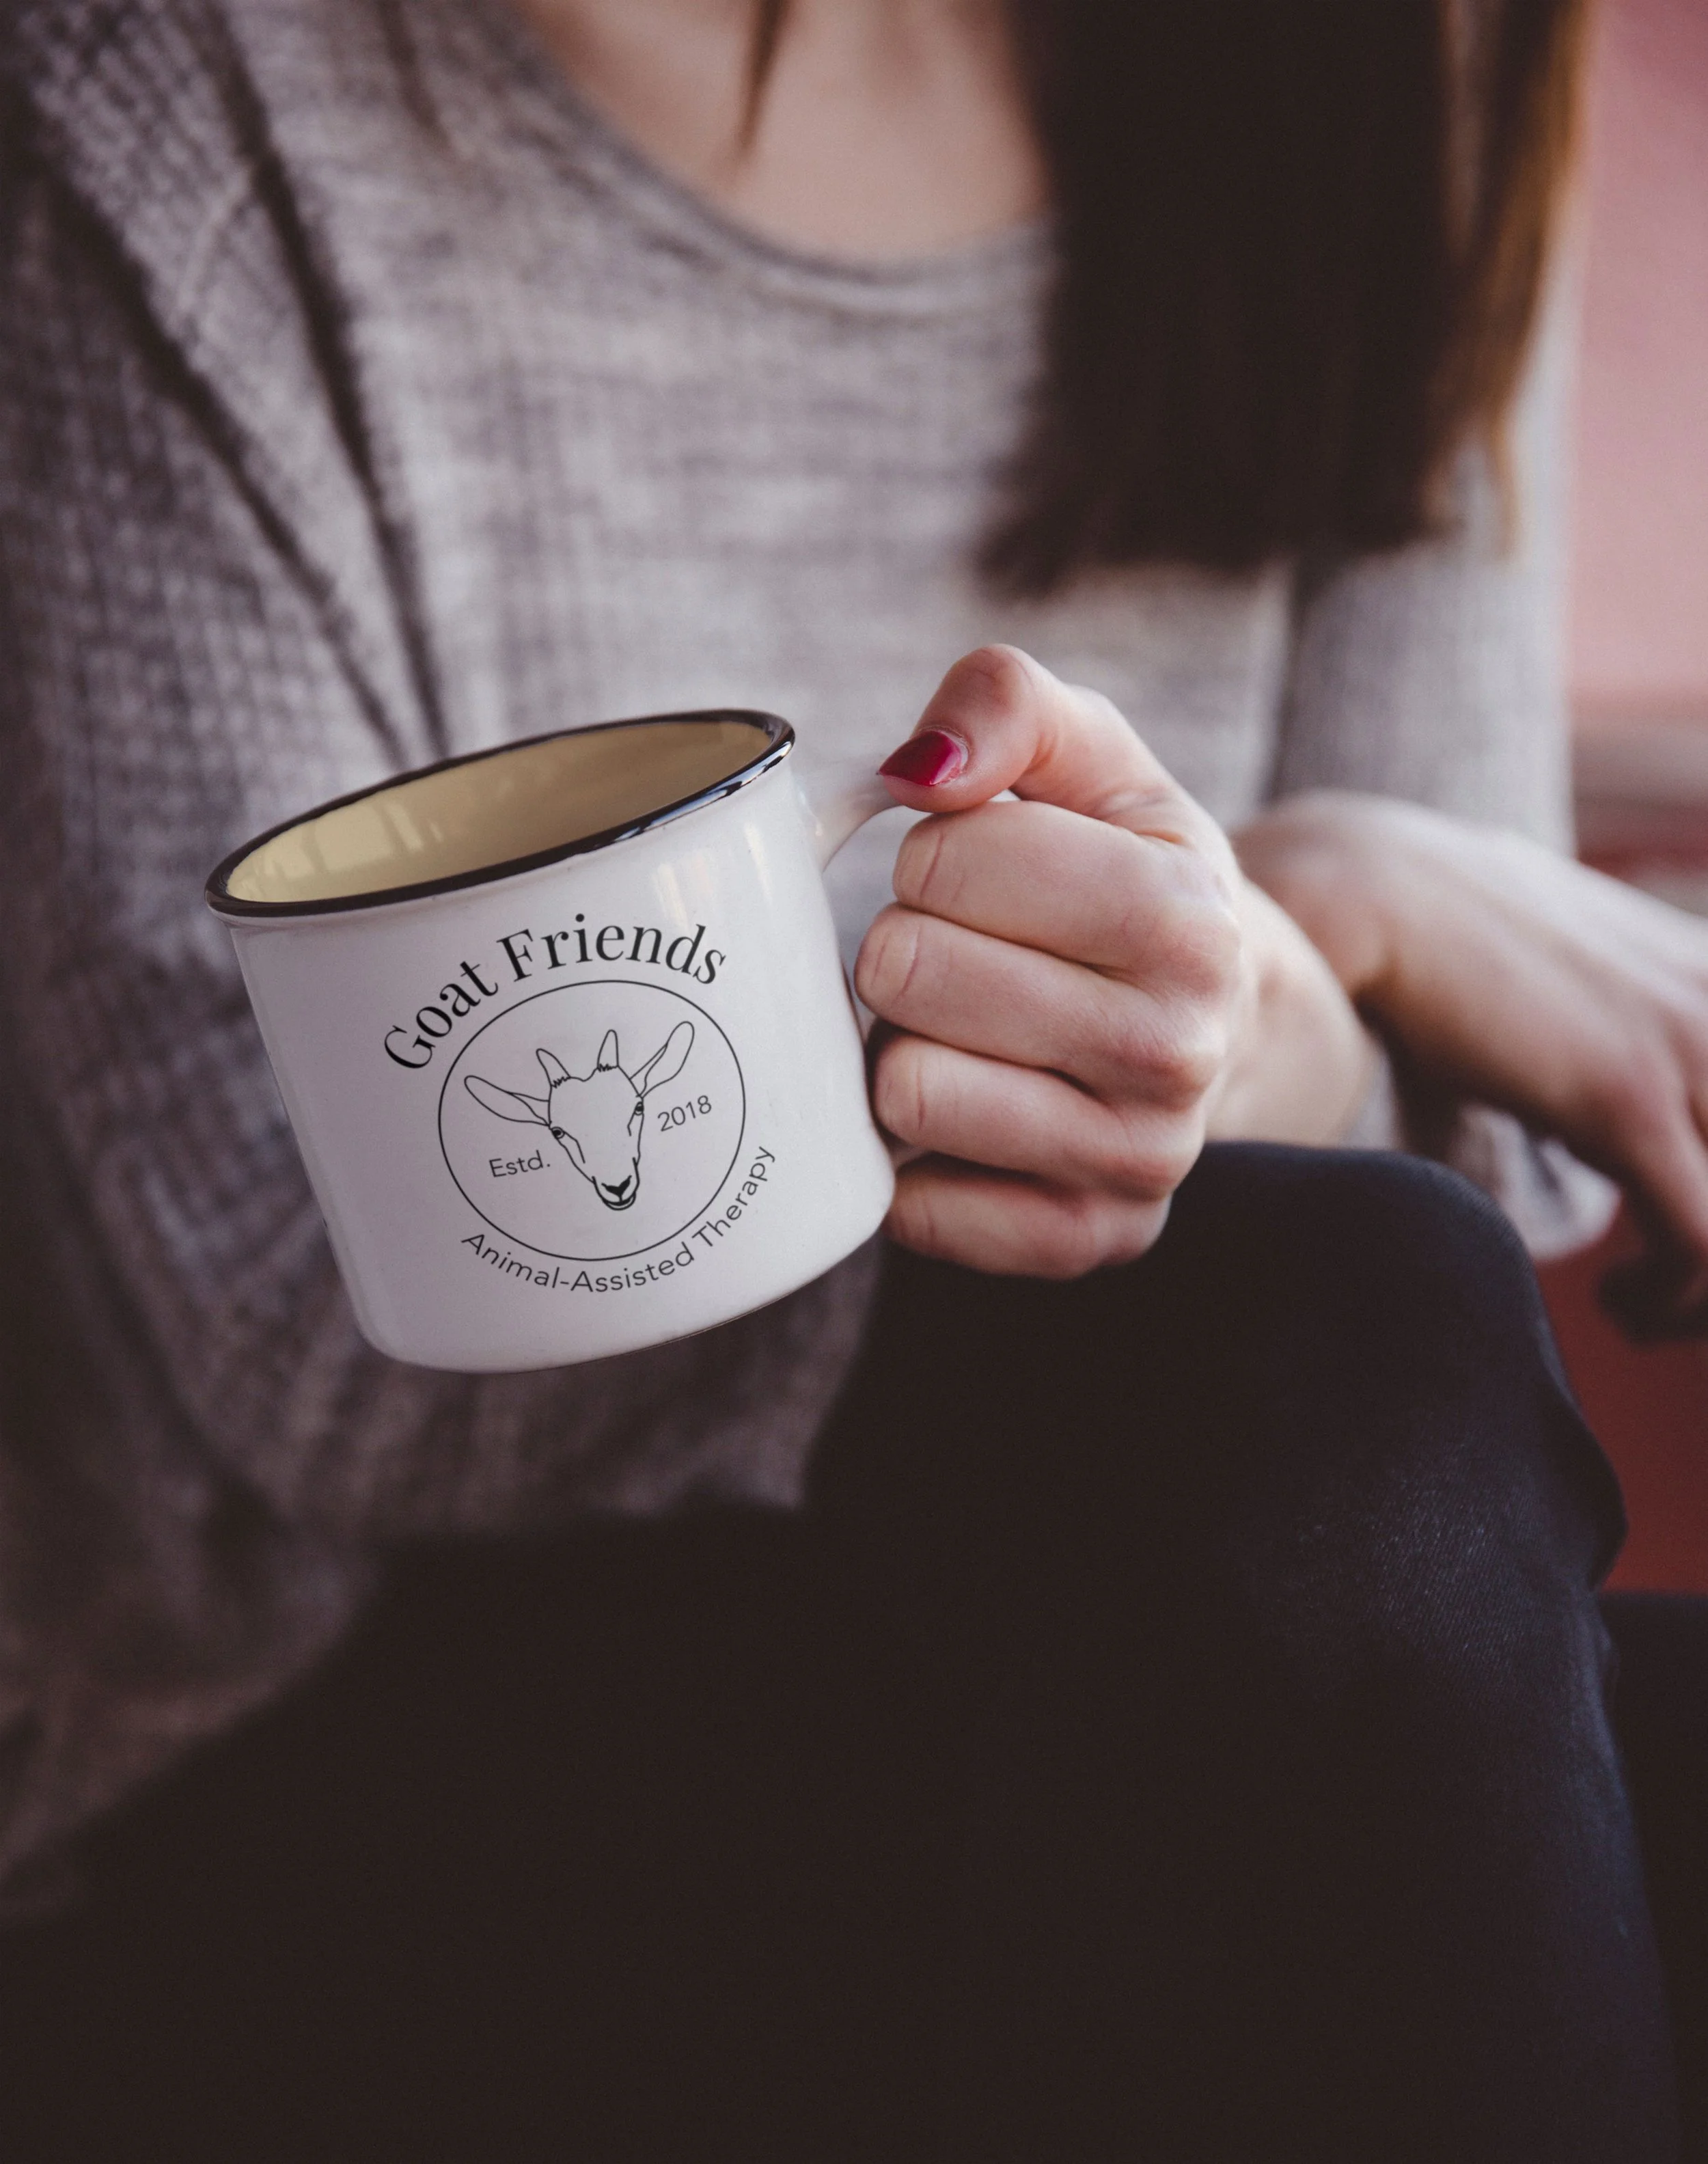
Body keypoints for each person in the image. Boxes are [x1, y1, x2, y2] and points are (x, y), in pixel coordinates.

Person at [0, 0, 1699, 2154]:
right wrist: (1320, 919)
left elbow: (1437, 1159)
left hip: (1172, 1550)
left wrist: (1270, 973)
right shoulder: (166, 99)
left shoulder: (1383, 66)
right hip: (301, 1726)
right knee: (1353, 1394)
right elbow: (286, 1328)